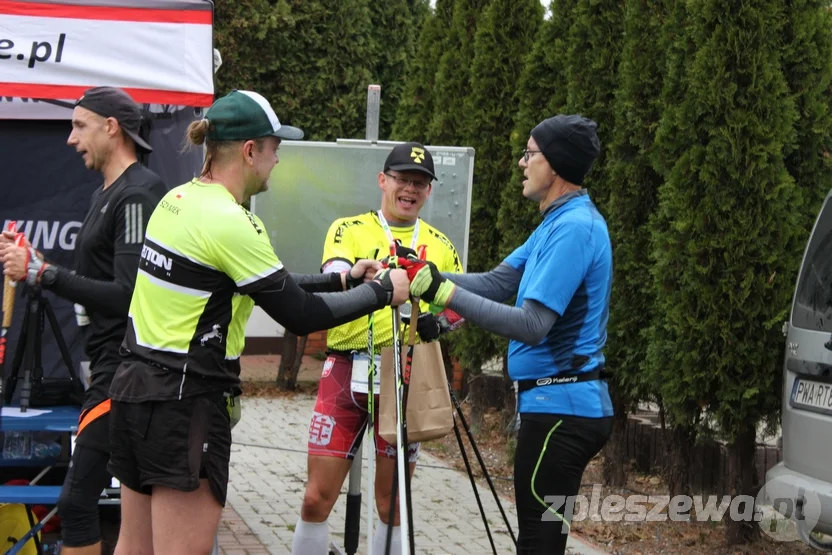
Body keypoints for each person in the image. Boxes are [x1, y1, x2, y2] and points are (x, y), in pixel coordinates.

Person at [105, 89, 410, 555]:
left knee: (132, 548)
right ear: (250, 151)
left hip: (133, 391)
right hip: (186, 403)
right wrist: (383, 292)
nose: (277, 162)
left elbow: (259, 282)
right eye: (275, 149)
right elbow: (298, 314)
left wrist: (344, 279)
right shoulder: (233, 221)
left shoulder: (178, 199)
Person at [403, 115, 614, 555]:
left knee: (538, 545)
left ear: (554, 164)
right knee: (537, 542)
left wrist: (443, 291)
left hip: (563, 409)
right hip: (553, 405)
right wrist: (431, 279)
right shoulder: (555, 222)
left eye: (530, 153)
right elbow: (499, 282)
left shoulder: (575, 228)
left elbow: (533, 326)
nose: (522, 163)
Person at [1, 87, 165, 555]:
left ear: (111, 127)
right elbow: (94, 281)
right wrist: (40, 266)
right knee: (130, 515)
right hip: (106, 369)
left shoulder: (137, 195)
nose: (71, 139)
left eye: (79, 125)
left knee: (77, 502)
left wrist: (43, 274)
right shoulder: (107, 193)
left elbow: (128, 293)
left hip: (125, 370)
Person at [291, 142, 463, 555]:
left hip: (403, 377)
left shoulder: (440, 244)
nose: (410, 189)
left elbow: (459, 305)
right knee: (316, 497)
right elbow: (333, 274)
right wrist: (366, 283)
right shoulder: (348, 228)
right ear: (382, 180)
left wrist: (437, 322)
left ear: (429, 191)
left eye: (420, 183)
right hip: (346, 369)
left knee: (392, 504)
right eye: (402, 179)